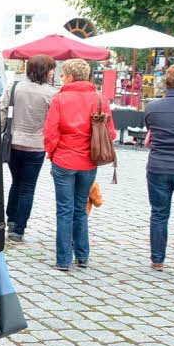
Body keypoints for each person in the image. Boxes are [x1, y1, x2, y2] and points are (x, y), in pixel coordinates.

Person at [43, 58, 115, 272]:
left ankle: (63, 260)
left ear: (71, 77)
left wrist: (52, 152)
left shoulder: (60, 99)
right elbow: (110, 133)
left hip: (64, 159)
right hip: (89, 160)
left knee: (64, 210)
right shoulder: (100, 99)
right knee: (80, 208)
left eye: (63, 76)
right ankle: (82, 256)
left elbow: (50, 131)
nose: (62, 80)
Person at [142, 63, 174, 274]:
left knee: (159, 213)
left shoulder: (152, 107)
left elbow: (150, 131)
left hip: (158, 166)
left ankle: (157, 259)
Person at [1, 54, 58, 243]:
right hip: (36, 145)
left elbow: (2, 111)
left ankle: (10, 220)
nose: (52, 73)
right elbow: (53, 122)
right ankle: (19, 229)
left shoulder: (15, 87)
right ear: (44, 70)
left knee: (16, 182)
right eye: (51, 69)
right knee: (27, 187)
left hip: (13, 142)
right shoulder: (51, 93)